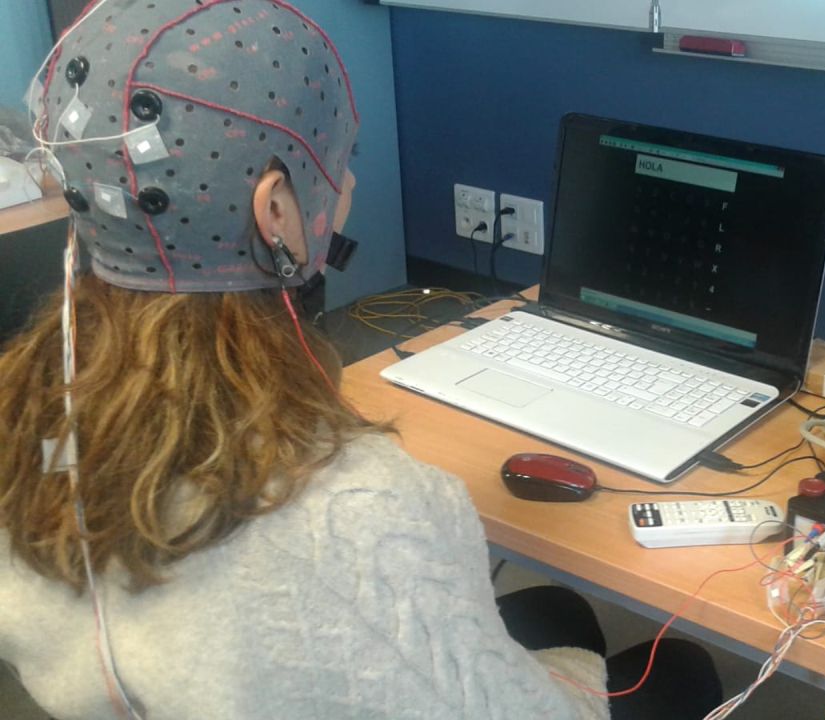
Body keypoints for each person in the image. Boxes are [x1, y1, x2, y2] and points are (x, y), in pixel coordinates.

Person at [0, 1, 719, 718]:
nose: (344, 187)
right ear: (275, 211)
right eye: (339, 163)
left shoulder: (23, 413)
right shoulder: (356, 508)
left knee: (560, 611)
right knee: (682, 667)